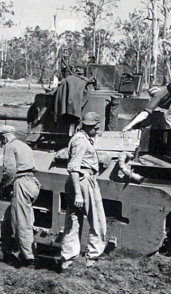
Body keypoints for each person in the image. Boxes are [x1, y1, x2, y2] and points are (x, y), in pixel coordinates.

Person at [59, 111, 107, 271]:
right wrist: (78, 193)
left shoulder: (82, 139)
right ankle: (93, 258)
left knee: (73, 220)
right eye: (95, 128)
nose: (97, 130)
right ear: (88, 127)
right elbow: (73, 167)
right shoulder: (81, 141)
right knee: (97, 220)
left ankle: (68, 260)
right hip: (83, 180)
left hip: (79, 181)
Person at [0, 124, 40, 267]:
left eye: (0, 139)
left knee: (22, 222)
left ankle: (28, 258)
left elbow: (9, 171)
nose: (1, 142)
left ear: (3, 137)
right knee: (12, 215)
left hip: (21, 182)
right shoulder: (24, 146)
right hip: (33, 182)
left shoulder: (9, 147)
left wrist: (4, 187)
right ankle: (2, 247)